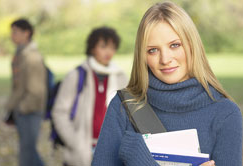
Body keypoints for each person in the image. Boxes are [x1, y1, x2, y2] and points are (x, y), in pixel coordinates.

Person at [92, 2, 242, 166]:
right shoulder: (123, 106)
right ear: (143, 56)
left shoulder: (226, 114)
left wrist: (142, 160)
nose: (165, 59)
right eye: (153, 50)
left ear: (193, 45)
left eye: (175, 45)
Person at [52, 26, 128, 166]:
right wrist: (75, 142)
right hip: (81, 152)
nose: (108, 52)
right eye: (103, 46)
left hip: (112, 151)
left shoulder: (121, 77)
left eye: (112, 47)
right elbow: (59, 112)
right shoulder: (76, 75)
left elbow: (128, 113)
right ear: (92, 48)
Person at [5, 19, 46, 166]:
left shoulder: (31, 56)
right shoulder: (21, 54)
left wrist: (21, 108)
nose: (12, 36)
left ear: (26, 33)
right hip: (22, 111)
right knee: (28, 153)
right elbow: (18, 86)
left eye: (15, 32)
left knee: (27, 155)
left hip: (30, 111)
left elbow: (36, 90)